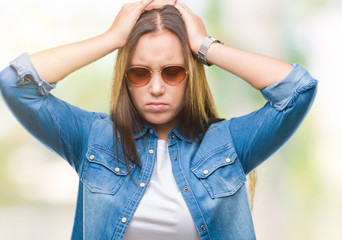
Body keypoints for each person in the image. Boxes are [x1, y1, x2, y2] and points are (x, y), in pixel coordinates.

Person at [0, 0, 318, 239]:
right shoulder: (92, 138)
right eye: (139, 73)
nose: (155, 88)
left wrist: (204, 46)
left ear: (191, 75)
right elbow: (16, 85)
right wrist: (112, 39)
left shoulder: (230, 144)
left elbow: (297, 89)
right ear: (125, 78)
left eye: (172, 72)